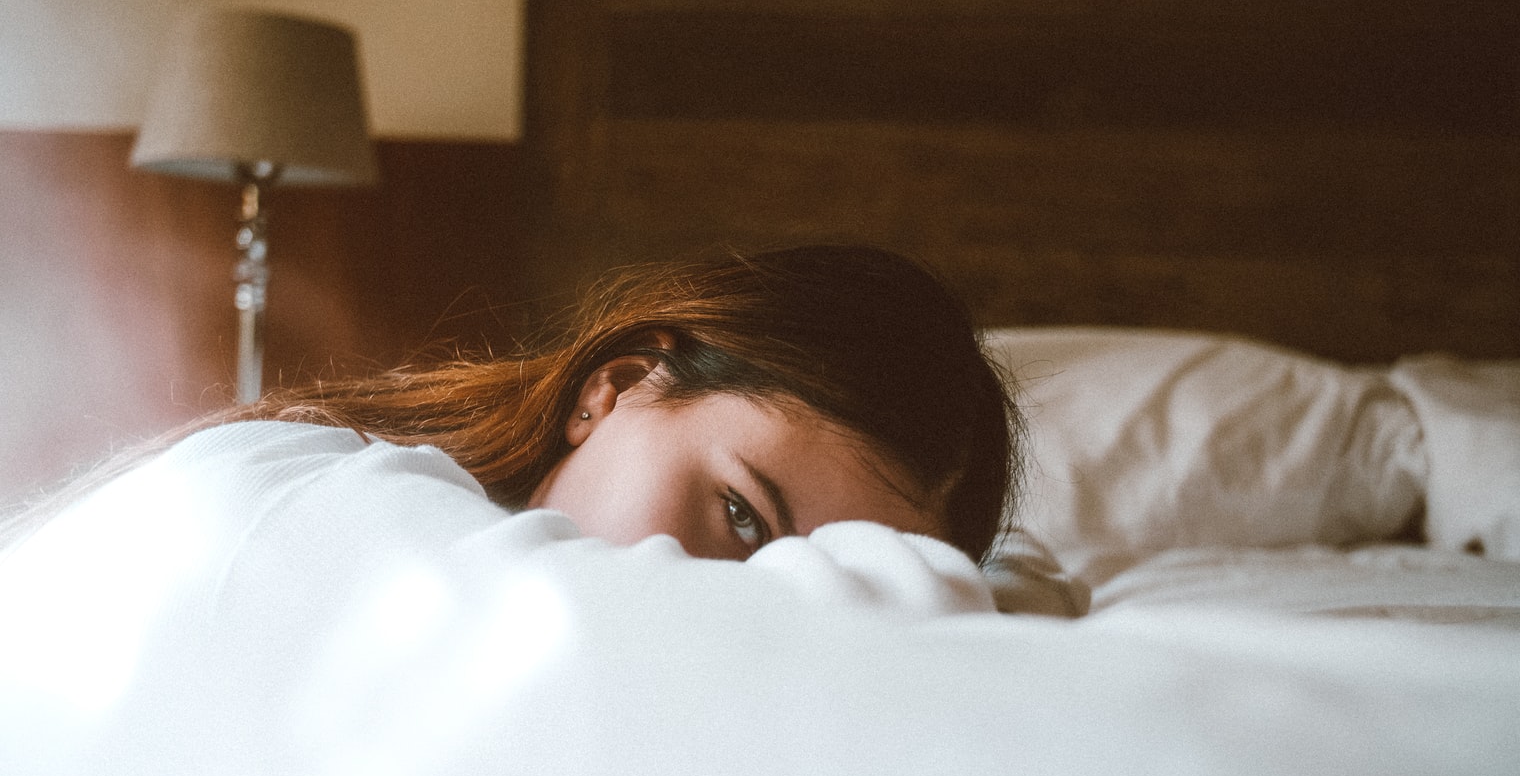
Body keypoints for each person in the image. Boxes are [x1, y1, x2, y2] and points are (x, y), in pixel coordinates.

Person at [233, 243, 1019, 563]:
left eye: (837, 588)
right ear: (611, 388)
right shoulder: (311, 513)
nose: (748, 606)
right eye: (742, 514)